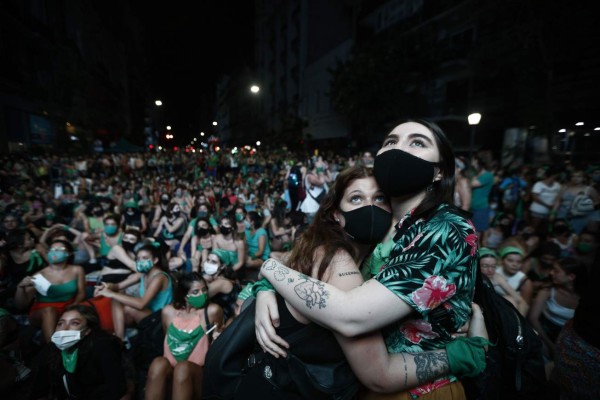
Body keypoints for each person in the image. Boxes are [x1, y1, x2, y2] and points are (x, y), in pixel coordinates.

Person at [257, 120, 483, 398]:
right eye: (390, 141)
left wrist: (270, 269)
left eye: (417, 142)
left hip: (423, 392)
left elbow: (352, 315)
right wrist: (266, 287)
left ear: (439, 172)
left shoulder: (444, 228)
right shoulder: (381, 234)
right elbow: (300, 265)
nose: (399, 149)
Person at [145, 272, 223, 400]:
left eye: (204, 290)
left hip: (197, 372)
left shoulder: (212, 311)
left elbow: (219, 346)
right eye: (195, 292)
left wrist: (216, 339)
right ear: (185, 296)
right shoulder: (168, 312)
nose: (202, 295)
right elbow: (167, 341)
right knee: (158, 363)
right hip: (172, 371)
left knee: (182, 368)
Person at [37, 304, 127, 399]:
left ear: (87, 330)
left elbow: (117, 388)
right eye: (60, 323)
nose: (64, 328)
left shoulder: (103, 346)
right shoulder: (52, 349)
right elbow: (38, 388)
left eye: (74, 323)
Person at [95, 241, 173, 340]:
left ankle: (121, 339)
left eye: (145, 258)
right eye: (138, 258)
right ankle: (121, 338)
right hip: (147, 314)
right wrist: (108, 287)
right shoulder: (143, 274)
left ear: (155, 260)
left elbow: (141, 304)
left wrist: (111, 294)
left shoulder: (160, 277)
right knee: (118, 300)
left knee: (127, 308)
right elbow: (118, 286)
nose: (140, 261)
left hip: (159, 319)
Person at [15, 239, 86, 342]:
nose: (54, 252)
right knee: (49, 310)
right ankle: (52, 351)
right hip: (41, 312)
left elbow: (81, 293)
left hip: (68, 308)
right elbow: (21, 305)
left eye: (59, 249)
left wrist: (73, 306)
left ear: (69, 253)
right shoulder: (39, 276)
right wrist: (20, 287)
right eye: (52, 249)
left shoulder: (77, 270)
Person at [527, 257, 586, 361]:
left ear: (571, 277)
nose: (551, 273)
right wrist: (550, 345)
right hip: (543, 331)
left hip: (568, 336)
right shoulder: (548, 289)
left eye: (556, 271)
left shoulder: (585, 297)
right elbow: (533, 318)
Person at [478, 247, 528, 316]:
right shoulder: (468, 278)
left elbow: (520, 301)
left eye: (493, 266)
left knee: (510, 300)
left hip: (490, 309)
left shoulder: (496, 276)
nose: (490, 270)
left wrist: (520, 323)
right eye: (485, 266)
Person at [469, 155, 494, 236]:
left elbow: (472, 184)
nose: (471, 163)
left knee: (477, 234)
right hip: (471, 207)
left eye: (473, 160)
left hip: (480, 208)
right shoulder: (473, 173)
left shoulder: (488, 175)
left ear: (477, 161)